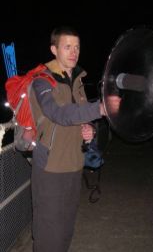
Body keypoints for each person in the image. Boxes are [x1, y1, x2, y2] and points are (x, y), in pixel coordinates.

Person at [29, 25, 105, 252]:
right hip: (50, 166)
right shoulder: (42, 80)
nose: (74, 52)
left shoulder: (78, 80)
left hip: (74, 163)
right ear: (54, 49)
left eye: (77, 47)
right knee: (47, 231)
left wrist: (90, 129)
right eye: (67, 47)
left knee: (65, 228)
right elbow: (59, 114)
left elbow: (80, 117)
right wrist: (100, 108)